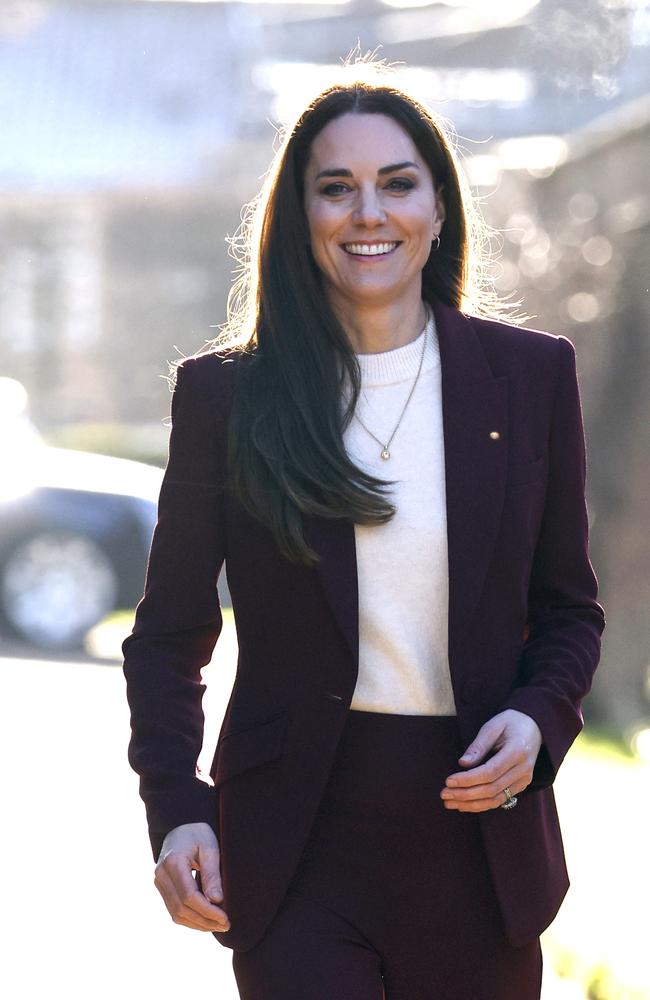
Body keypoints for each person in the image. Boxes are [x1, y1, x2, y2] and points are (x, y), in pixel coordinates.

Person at [123, 64, 605, 1000]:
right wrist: (178, 808)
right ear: (298, 217)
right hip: (294, 839)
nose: (367, 212)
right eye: (334, 187)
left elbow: (568, 612)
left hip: (477, 833)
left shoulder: (531, 379)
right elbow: (169, 633)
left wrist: (539, 721)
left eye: (396, 182)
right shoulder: (228, 397)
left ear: (435, 205)